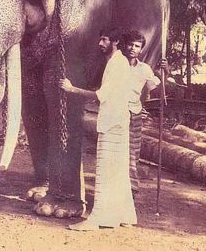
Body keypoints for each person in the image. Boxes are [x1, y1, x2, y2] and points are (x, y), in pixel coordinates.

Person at [59, 27, 137, 231]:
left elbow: (101, 95)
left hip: (113, 124)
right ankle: (124, 215)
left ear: (115, 42)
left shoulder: (117, 64)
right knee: (118, 170)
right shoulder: (117, 63)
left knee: (105, 171)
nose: (100, 44)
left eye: (104, 39)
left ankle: (99, 219)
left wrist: (71, 89)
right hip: (117, 122)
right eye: (100, 39)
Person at [122, 30, 168, 196]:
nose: (133, 48)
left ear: (141, 49)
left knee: (132, 153)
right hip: (116, 114)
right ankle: (115, 191)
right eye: (130, 44)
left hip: (134, 115)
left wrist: (166, 72)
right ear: (125, 45)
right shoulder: (115, 64)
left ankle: (131, 191)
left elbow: (158, 92)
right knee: (117, 153)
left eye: (137, 46)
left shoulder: (144, 69)